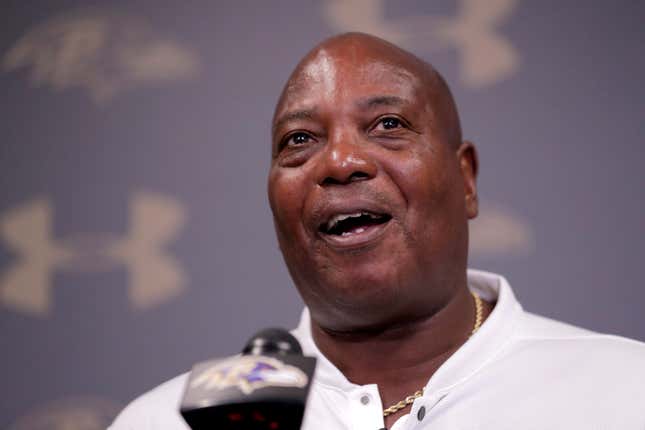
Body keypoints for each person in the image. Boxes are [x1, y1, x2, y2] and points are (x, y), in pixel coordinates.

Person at [110, 33, 645, 430]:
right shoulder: (165, 422)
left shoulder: (625, 392)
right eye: (299, 139)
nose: (340, 161)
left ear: (465, 180)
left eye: (388, 125)